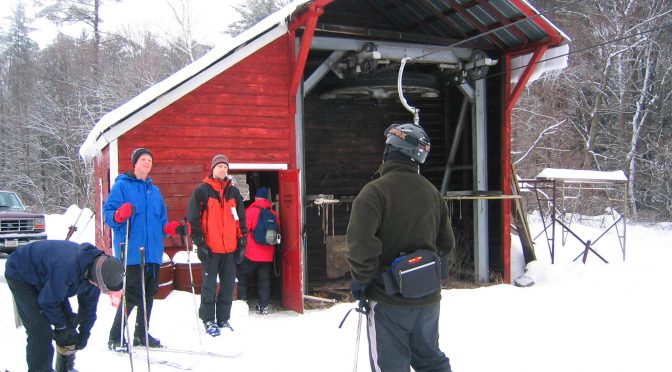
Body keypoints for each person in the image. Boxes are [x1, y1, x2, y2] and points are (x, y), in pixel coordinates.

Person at [346, 123, 455, 372]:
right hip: (427, 300)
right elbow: (446, 244)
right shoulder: (432, 193)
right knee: (431, 361)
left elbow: (361, 246)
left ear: (390, 151)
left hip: (388, 301)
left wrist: (361, 281)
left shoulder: (374, 192)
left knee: (391, 367)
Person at [104, 147, 184, 350]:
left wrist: (171, 228)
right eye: (143, 159)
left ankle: (141, 334)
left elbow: (162, 221)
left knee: (148, 293)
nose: (147, 162)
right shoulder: (122, 186)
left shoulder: (155, 192)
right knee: (131, 294)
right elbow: (109, 216)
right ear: (135, 163)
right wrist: (120, 215)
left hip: (153, 253)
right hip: (132, 250)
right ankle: (115, 336)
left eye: (149, 159)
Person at [5, 240, 123, 372]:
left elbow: (88, 309)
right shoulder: (67, 268)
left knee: (69, 325)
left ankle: (64, 368)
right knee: (40, 329)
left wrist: (84, 332)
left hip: (48, 280)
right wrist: (61, 326)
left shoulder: (95, 274)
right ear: (97, 278)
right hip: (21, 272)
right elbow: (47, 302)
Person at [186, 154, 247, 337]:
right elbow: (193, 218)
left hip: (230, 249)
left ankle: (223, 319)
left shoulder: (234, 193)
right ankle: (208, 320)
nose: (223, 169)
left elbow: (240, 219)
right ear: (212, 169)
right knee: (209, 286)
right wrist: (199, 243)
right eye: (220, 166)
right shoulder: (202, 191)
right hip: (211, 249)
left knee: (228, 285)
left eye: (225, 167)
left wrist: (242, 241)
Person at [238, 186, 281, 315]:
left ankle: (241, 302)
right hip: (267, 254)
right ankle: (264, 306)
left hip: (251, 253)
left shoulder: (250, 212)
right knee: (264, 279)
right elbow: (277, 231)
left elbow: (243, 230)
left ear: (256, 198)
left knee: (242, 276)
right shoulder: (273, 214)